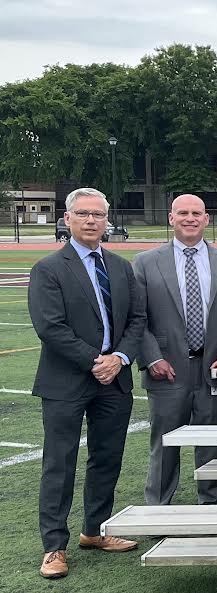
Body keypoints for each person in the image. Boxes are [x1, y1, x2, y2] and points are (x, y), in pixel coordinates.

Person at [30, 188, 146, 578]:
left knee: (107, 457)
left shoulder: (120, 266)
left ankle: (95, 530)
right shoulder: (49, 268)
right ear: (68, 219)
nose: (92, 220)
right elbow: (50, 327)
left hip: (114, 380)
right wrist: (95, 361)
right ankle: (53, 547)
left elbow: (136, 320)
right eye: (84, 214)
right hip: (66, 381)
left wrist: (120, 359)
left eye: (99, 215)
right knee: (59, 464)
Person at [133, 194, 217, 506]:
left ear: (206, 219)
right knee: (165, 441)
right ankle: (158, 506)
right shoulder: (145, 263)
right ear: (170, 218)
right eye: (182, 213)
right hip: (167, 370)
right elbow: (137, 318)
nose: (190, 218)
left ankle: (211, 500)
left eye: (196, 213)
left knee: (211, 440)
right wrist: (151, 357)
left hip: (212, 367)